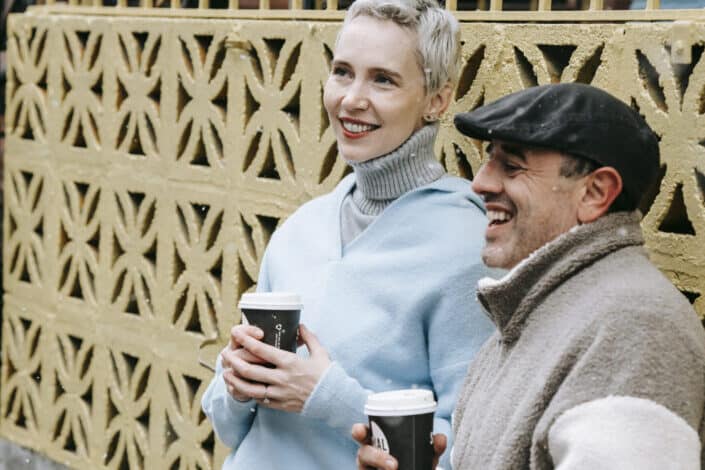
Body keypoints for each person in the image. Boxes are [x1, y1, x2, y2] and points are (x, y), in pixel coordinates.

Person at [200, 0, 495, 468]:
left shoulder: (467, 246)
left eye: (383, 79)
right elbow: (227, 426)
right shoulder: (301, 228)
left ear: (437, 99)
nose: (351, 98)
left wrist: (330, 398)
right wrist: (234, 384)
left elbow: (467, 446)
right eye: (342, 72)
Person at [354, 83, 705, 469]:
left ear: (595, 193)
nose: (481, 183)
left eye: (512, 166)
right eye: (489, 161)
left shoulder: (635, 329)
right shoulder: (538, 309)